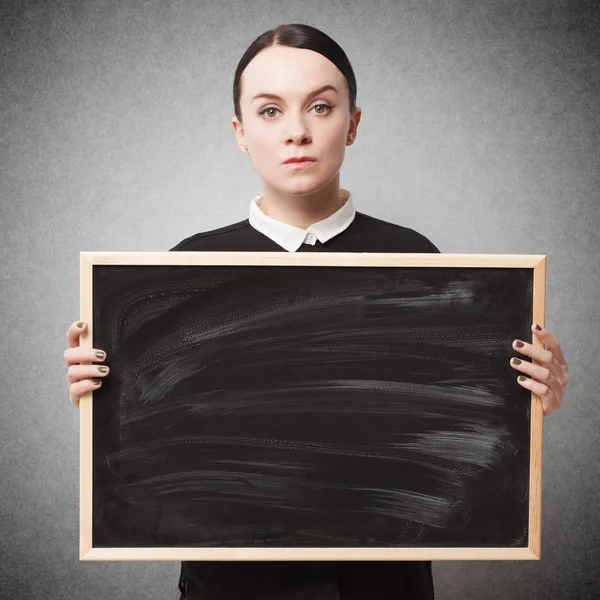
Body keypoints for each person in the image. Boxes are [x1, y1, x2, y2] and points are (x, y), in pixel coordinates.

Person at [64, 23, 569, 600]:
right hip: (230, 588)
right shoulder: (181, 272)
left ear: (352, 123)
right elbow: (150, 456)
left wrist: (525, 404)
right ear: (240, 132)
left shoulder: (419, 262)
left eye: (321, 107)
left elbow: (457, 445)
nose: (297, 132)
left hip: (384, 586)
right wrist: (103, 401)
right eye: (271, 111)